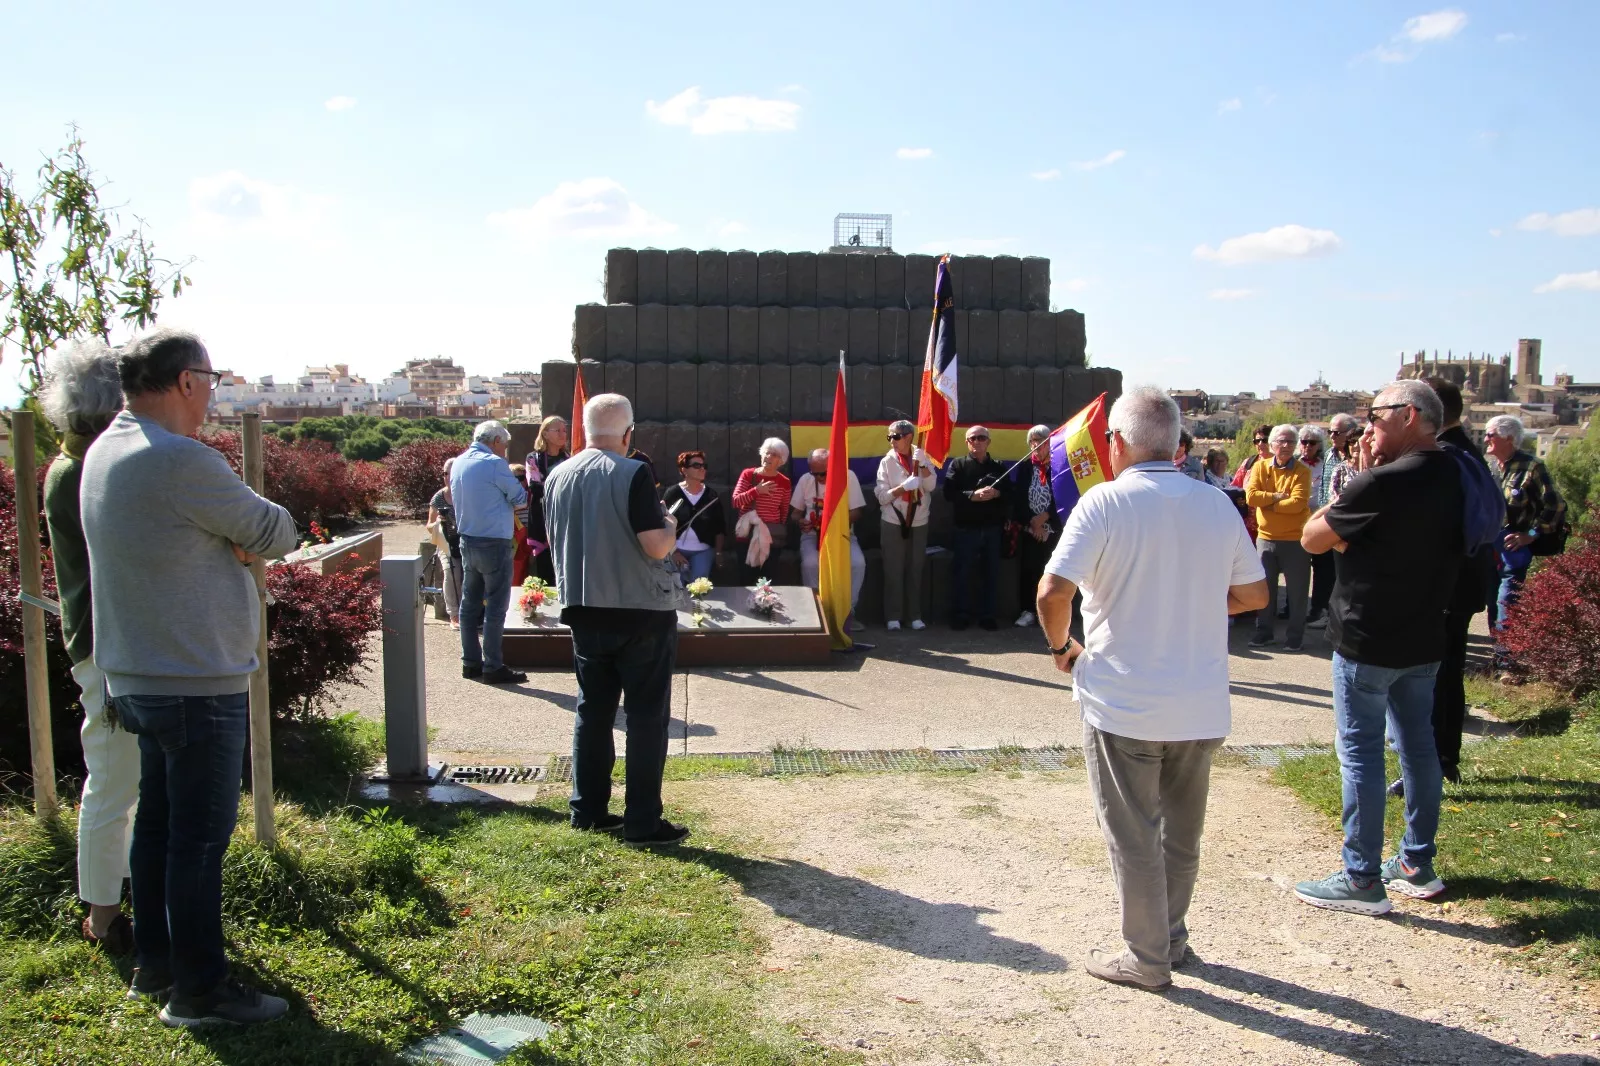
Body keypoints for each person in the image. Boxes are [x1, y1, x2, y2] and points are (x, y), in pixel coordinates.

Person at [81, 328, 297, 1025]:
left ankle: (158, 962)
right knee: (199, 843)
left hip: (136, 675)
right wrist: (238, 540)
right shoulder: (181, 461)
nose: (214, 393)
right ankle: (200, 991)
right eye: (212, 378)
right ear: (184, 382)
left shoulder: (103, 450)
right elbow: (278, 531)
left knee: (160, 829)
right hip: (194, 680)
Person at [1036, 386, 1268, 989]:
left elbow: (1051, 592)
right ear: (1175, 442)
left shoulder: (1104, 503)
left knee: (1134, 835)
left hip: (1125, 699)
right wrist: (1193, 599)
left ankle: (1146, 957)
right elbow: (1254, 595)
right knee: (1181, 836)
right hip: (1199, 699)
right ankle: (1170, 938)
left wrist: (1063, 648)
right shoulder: (1216, 504)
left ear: (1117, 442)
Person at [1294, 380, 1464, 914]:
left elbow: (1311, 537)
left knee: (1362, 755)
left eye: (1376, 415)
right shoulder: (1454, 474)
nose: (1367, 427)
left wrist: (1359, 486)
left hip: (1369, 640)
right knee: (1418, 749)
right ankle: (1416, 863)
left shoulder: (1381, 483)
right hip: (1424, 637)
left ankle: (1362, 877)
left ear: (1410, 415)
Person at [545, 393, 689, 847]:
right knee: (647, 718)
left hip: (583, 607)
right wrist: (670, 522)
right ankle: (643, 822)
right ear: (628, 434)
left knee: (593, 710)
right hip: (640, 610)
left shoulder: (557, 475)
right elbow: (656, 545)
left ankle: (587, 810)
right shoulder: (633, 472)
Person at [41, 342, 138, 957]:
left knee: (120, 778)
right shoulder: (86, 471)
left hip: (103, 642)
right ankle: (103, 914)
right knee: (112, 778)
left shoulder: (71, 463)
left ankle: (114, 897)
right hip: (109, 649)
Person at [1424, 378, 1496, 786]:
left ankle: (1438, 759)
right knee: (1450, 670)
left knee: (1438, 673)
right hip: (1467, 579)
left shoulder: (1446, 456)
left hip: (1449, 582)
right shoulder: (1469, 452)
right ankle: (1446, 757)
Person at [450, 420, 529, 685]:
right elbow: (520, 499)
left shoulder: (459, 462)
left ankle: (469, 662)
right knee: (495, 606)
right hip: (494, 541)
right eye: (504, 445)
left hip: (467, 539)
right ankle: (493, 666)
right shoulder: (495, 464)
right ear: (495, 441)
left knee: (469, 604)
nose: (505, 450)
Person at [1483, 414, 1567, 635]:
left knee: (1507, 601)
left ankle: (1507, 661)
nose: (1485, 439)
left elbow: (1556, 505)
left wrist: (1531, 534)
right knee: (1491, 599)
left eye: (1490, 434)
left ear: (1508, 438)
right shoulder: (1492, 467)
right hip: (1491, 546)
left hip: (1514, 548)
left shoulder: (1532, 466)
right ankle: (1498, 654)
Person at [1245, 424, 1312, 650]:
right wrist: (1276, 496)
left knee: (1297, 592)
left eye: (1291, 442)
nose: (1285, 446)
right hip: (1265, 539)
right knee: (1265, 591)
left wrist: (1270, 504)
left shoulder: (1303, 471)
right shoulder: (1260, 467)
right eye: (1281, 441)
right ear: (1271, 444)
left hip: (1295, 540)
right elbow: (1252, 497)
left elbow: (1297, 504)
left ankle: (1295, 638)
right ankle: (1264, 633)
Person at [943, 425, 1010, 630]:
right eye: (973, 438)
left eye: (982, 438)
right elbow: (948, 493)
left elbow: (1010, 493)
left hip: (992, 529)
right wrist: (972, 496)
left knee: (991, 573)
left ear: (988, 442)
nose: (977, 442)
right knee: (962, 573)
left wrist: (996, 494)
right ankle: (961, 614)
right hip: (965, 529)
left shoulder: (999, 467)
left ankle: (987, 615)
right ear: (967, 442)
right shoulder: (958, 465)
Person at [874, 420, 939, 631]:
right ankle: (893, 615)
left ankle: (914, 615)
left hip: (919, 520)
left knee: (915, 568)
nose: (891, 441)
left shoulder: (922, 456)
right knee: (893, 569)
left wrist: (924, 467)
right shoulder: (887, 462)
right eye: (889, 437)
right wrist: (903, 488)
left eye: (896, 436)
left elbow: (930, 486)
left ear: (909, 437)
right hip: (894, 520)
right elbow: (882, 496)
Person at [792, 447, 868, 627]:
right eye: (815, 473)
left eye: (823, 473)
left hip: (841, 533)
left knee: (857, 563)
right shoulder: (805, 480)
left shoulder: (848, 476)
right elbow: (795, 514)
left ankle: (848, 612)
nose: (819, 478)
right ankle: (817, 611)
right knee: (811, 563)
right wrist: (801, 521)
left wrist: (833, 522)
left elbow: (857, 512)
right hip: (812, 535)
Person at [1013, 424, 1061, 629]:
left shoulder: (1059, 466)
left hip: (1053, 528)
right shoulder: (1025, 467)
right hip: (1031, 529)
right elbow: (1019, 499)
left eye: (1040, 442)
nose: (1036, 446)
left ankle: (1053, 614)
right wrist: (1033, 524)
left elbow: (1063, 497)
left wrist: (1046, 518)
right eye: (1032, 442)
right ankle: (1028, 610)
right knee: (1029, 570)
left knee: (1053, 571)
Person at [731, 438, 792, 584]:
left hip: (771, 537)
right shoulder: (748, 474)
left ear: (781, 460)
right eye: (766, 452)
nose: (768, 457)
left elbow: (784, 511)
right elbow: (735, 501)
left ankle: (765, 606)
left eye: (774, 455)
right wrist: (756, 491)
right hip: (747, 534)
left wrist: (773, 529)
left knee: (767, 581)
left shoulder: (784, 482)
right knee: (746, 579)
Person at [662, 450, 728, 585]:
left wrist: (719, 553)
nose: (702, 469)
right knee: (676, 587)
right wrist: (673, 552)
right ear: (684, 470)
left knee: (698, 589)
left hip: (702, 551)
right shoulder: (672, 493)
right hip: (676, 550)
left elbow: (719, 526)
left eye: (704, 466)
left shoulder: (711, 495)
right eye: (697, 466)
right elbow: (663, 523)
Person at [524, 415, 569, 586]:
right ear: (545, 434)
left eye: (564, 430)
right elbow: (535, 486)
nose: (562, 434)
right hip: (542, 519)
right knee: (544, 569)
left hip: (563, 519)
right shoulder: (533, 458)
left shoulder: (568, 458)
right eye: (557, 430)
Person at [1298, 426, 1335, 630]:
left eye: (1312, 442)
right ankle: (1292, 607)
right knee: (1298, 569)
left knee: (1322, 571)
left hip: (1320, 522)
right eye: (1304, 442)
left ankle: (1319, 609)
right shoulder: (1293, 464)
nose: (1307, 446)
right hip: (1297, 523)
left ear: (1319, 445)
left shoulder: (1325, 464)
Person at [428, 458, 463, 630]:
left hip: (466, 541)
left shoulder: (466, 494)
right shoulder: (439, 498)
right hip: (446, 544)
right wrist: (437, 523)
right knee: (451, 571)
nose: (447, 477)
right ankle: (454, 614)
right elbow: (428, 526)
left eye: (451, 473)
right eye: (444, 473)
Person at [1231, 426, 1272, 544]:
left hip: (1270, 525)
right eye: (1256, 441)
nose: (1260, 444)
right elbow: (1235, 486)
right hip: (1247, 525)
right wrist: (1239, 498)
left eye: (1264, 440)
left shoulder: (1280, 464)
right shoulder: (1248, 463)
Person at [1326, 412, 1362, 503]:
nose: (1332, 436)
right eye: (1330, 432)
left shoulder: (1372, 465)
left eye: (1336, 433)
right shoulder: (1328, 454)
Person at [508, 462, 532, 587]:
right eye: (514, 479)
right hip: (512, 545)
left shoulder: (532, 497)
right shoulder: (505, 498)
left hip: (528, 544)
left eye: (521, 478)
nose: (518, 482)